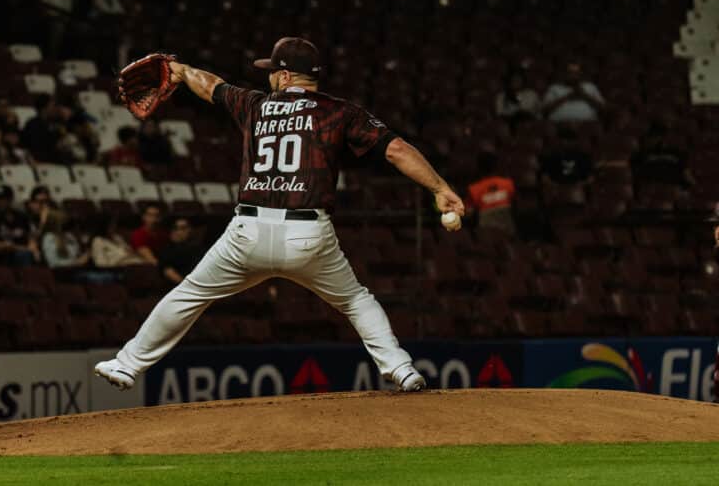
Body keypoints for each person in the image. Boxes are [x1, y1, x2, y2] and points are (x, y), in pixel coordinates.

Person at [94, 38, 466, 393]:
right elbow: (396, 149)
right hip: (308, 235)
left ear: (285, 76)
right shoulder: (338, 111)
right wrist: (439, 189)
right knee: (356, 300)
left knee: (190, 293)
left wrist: (180, 69)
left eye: (272, 70)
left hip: (248, 233)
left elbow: (211, 86)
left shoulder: (255, 105)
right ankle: (400, 369)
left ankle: (127, 365)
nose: (268, 76)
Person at [0, 185, 39, 266]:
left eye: (4, 199)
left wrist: (34, 248)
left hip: (21, 252)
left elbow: (31, 237)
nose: (0, 202)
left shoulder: (20, 216)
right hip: (1, 257)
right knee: (24, 255)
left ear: (10, 199)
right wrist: (20, 248)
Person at [467, 152, 516, 235]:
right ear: (496, 166)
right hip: (508, 232)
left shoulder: (473, 189)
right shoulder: (508, 184)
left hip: (487, 236)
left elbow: (468, 214)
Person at [21, 94, 69, 162]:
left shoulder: (56, 123)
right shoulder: (33, 124)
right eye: (52, 106)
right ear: (44, 108)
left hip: (57, 160)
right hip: (42, 161)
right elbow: (35, 147)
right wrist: (55, 146)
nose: (55, 109)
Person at [157, 217, 200, 285]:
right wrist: (187, 287)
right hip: (180, 288)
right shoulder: (167, 250)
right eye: (176, 228)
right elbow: (168, 271)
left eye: (183, 228)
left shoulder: (199, 249)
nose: (179, 232)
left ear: (191, 230)